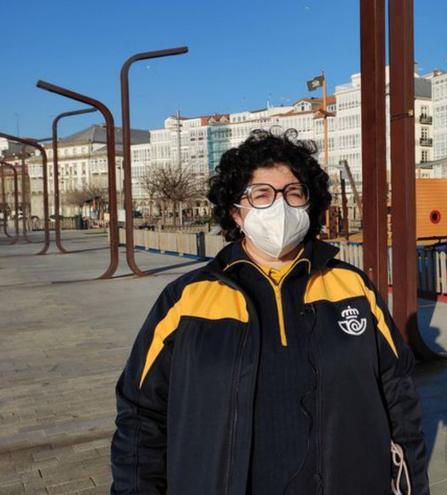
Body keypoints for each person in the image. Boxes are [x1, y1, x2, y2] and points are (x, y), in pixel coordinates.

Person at [110, 129, 429, 494]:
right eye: (262, 194)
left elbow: (399, 397)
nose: (280, 206)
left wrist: (413, 484)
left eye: (293, 192)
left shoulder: (351, 286)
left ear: (309, 205)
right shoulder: (186, 299)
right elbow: (140, 414)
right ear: (235, 211)